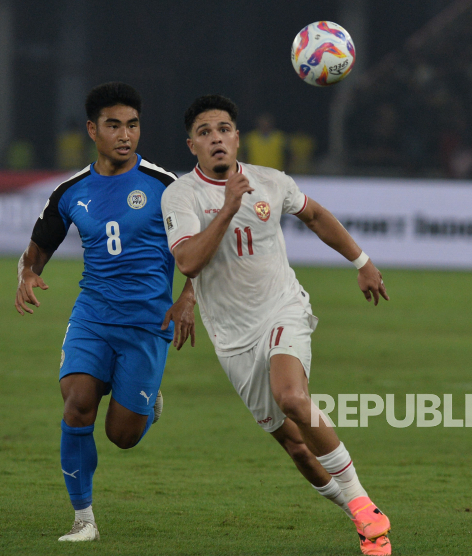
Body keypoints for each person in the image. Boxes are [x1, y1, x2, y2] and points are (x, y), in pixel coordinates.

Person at [161, 95, 392, 556]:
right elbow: (187, 259)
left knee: (292, 397)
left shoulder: (271, 181)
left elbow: (316, 215)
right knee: (298, 450)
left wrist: (362, 261)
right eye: (205, 133)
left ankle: (367, 508)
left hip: (282, 309)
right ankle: (361, 517)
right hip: (231, 336)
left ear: (237, 137)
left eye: (224, 129)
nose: (217, 139)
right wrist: (226, 209)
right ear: (192, 146)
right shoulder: (181, 195)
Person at [14, 82, 196, 542]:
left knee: (123, 436)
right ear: (93, 130)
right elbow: (37, 248)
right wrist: (28, 275)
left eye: (132, 125)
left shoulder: (165, 186)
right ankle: (83, 521)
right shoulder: (70, 192)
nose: (125, 134)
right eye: (114, 125)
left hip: (147, 324)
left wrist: (188, 296)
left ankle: (147, 404)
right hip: (92, 316)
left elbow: (200, 252)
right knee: (77, 405)